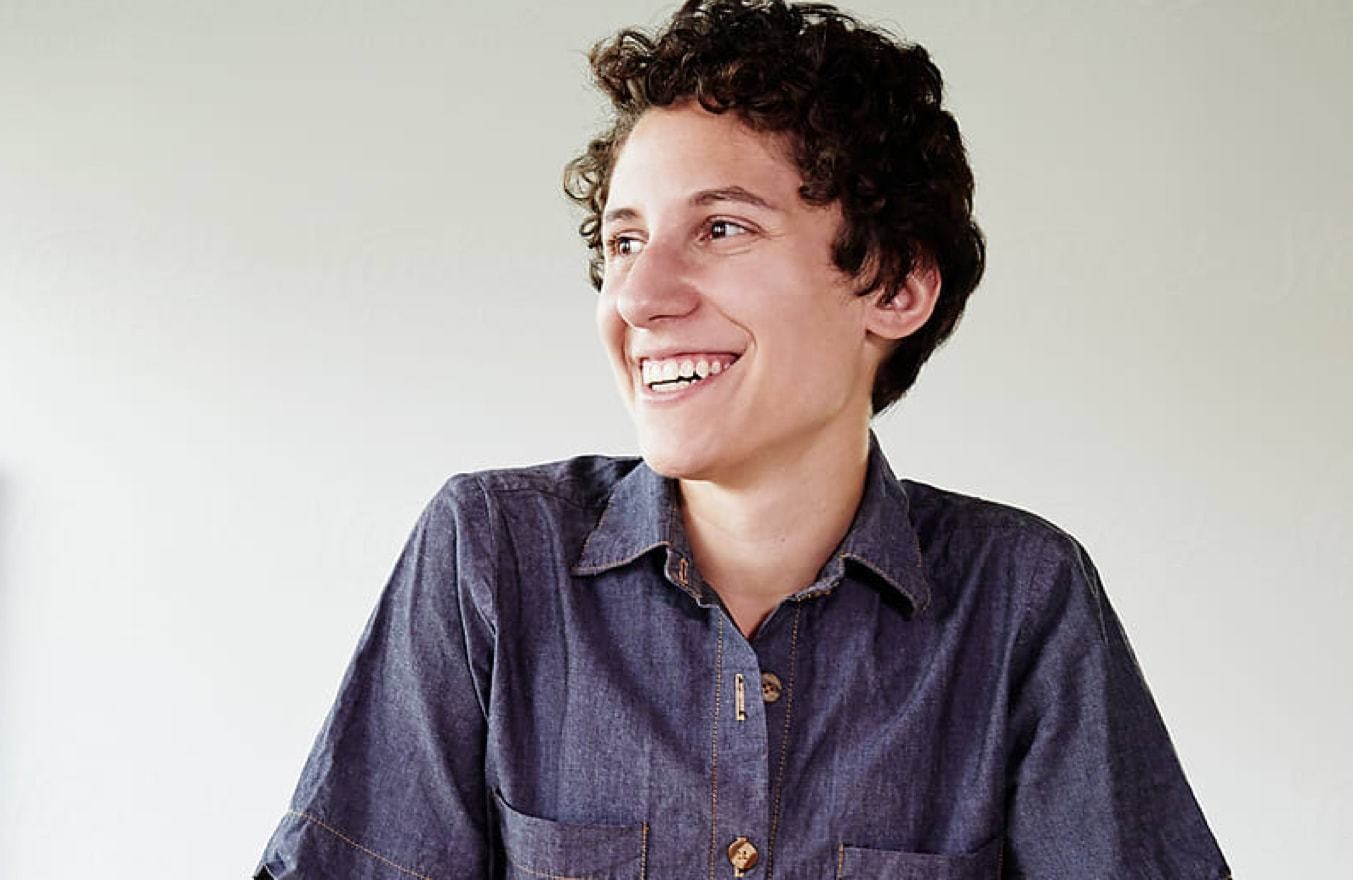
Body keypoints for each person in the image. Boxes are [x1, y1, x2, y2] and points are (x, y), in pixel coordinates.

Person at [255, 1, 1230, 877]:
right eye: (624, 241)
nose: (637, 295)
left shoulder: (1021, 600)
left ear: (893, 287)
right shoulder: (489, 555)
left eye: (721, 228)